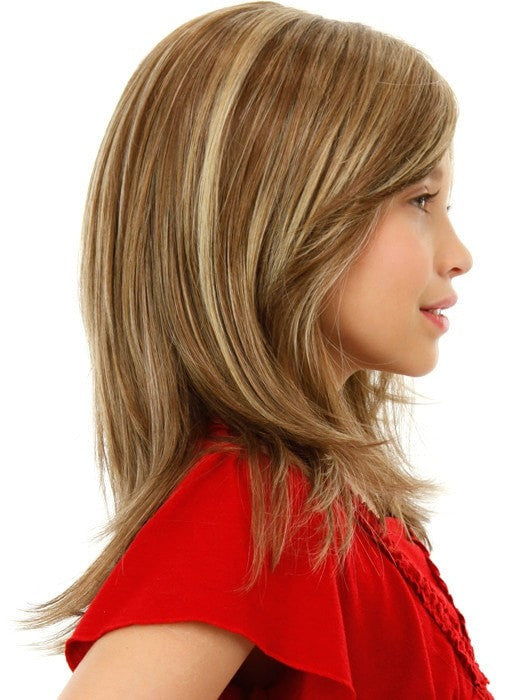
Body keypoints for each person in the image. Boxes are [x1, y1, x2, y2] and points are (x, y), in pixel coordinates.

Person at [16, 2, 494, 697]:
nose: (459, 255)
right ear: (283, 218)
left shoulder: (317, 510)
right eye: (421, 200)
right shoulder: (251, 506)